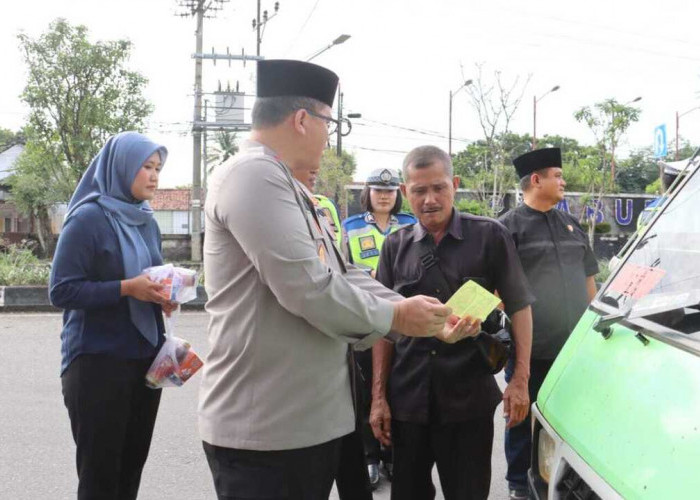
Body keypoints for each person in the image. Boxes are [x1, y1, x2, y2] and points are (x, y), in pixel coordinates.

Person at [199, 60, 473, 500]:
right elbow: (308, 287)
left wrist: (425, 313)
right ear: (303, 120)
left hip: (307, 421)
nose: (331, 138)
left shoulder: (291, 187)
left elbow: (344, 273)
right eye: (330, 123)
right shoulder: (253, 175)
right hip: (266, 430)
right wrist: (398, 317)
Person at [371, 145, 535, 500]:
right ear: (405, 192)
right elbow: (383, 328)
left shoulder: (489, 236)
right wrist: (378, 398)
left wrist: (519, 380)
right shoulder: (394, 247)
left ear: (454, 184)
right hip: (409, 401)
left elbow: (520, 307)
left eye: (439, 187)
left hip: (468, 400)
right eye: (419, 190)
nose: (430, 199)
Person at [50, 132, 176, 499]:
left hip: (145, 362)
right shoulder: (88, 219)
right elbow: (61, 290)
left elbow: (149, 278)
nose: (154, 176)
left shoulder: (146, 220)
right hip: (97, 362)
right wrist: (126, 288)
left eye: (158, 168)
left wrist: (163, 296)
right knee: (100, 478)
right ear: (120, 168)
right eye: (146, 167)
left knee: (129, 472)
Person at [499, 147, 598, 500]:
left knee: (569, 415)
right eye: (557, 175)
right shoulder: (507, 228)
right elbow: (495, 286)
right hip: (531, 346)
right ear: (536, 180)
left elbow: (589, 278)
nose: (563, 181)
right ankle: (516, 482)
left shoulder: (570, 224)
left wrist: (593, 327)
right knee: (524, 414)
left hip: (572, 346)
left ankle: (564, 476)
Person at [342, 168, 416, 487]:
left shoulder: (411, 225)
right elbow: (340, 272)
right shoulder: (350, 227)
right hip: (365, 318)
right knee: (366, 390)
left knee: (398, 389)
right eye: (377, 191)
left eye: (389, 191)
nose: (384, 196)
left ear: (398, 194)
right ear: (367, 194)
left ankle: (392, 455)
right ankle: (369, 457)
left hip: (403, 317)